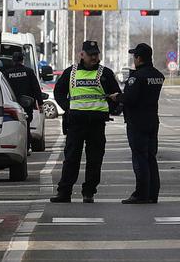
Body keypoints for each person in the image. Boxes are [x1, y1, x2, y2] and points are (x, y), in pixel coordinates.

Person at [51, 40, 121, 203]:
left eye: (96, 54)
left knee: (95, 159)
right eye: (91, 55)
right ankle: (64, 192)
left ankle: (89, 192)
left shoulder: (106, 73)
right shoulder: (70, 72)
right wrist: (68, 108)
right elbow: (59, 92)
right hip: (76, 122)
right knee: (71, 158)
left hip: (96, 123)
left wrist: (108, 108)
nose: (94, 58)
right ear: (82, 54)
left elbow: (116, 95)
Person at [109, 43, 164, 204]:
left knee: (139, 158)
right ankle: (153, 193)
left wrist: (117, 97)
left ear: (138, 58)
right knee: (151, 158)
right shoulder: (158, 75)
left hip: (137, 122)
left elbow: (130, 99)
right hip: (152, 120)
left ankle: (141, 193)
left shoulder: (137, 77)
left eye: (135, 56)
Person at [1, 51, 43, 148]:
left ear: (13, 61)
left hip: (12, 104)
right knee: (26, 125)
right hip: (27, 104)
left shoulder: (6, 74)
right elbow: (36, 88)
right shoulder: (29, 72)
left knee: (14, 125)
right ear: (22, 60)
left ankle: (17, 146)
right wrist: (40, 103)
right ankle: (27, 147)